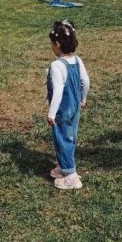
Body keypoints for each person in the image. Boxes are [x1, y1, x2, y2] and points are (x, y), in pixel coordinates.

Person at [46, 20, 90, 190]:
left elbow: (57, 90)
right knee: (70, 137)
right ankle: (63, 167)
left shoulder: (57, 65)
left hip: (62, 111)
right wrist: (83, 98)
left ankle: (71, 177)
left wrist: (51, 113)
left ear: (57, 45)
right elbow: (85, 81)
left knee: (63, 139)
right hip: (76, 108)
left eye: (51, 44)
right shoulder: (77, 61)